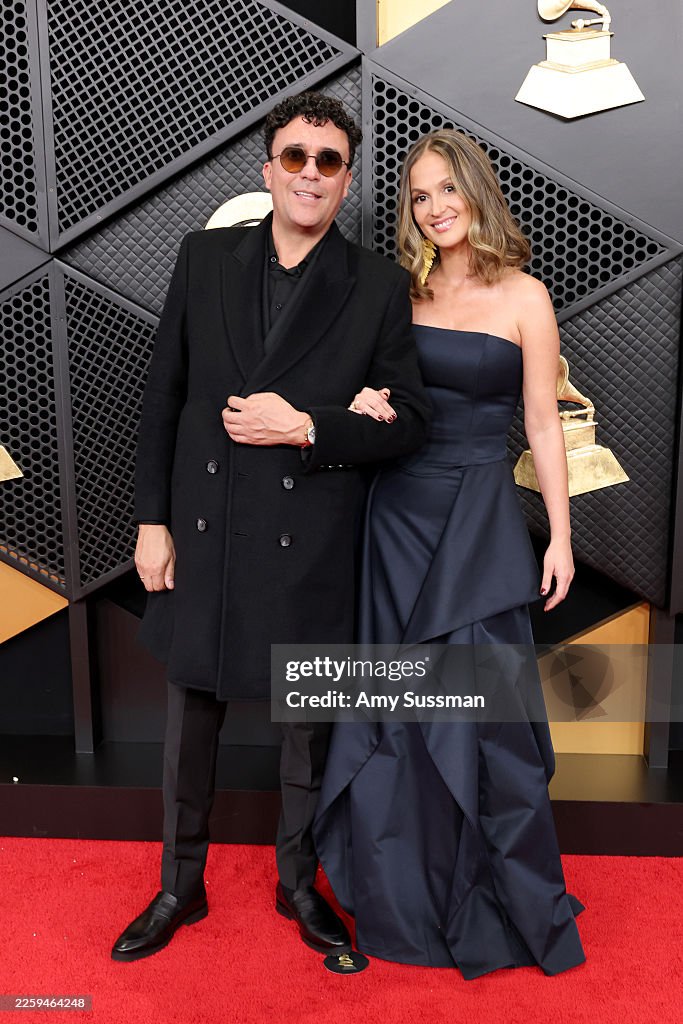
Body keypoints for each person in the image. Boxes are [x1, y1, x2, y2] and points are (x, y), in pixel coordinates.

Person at [111, 92, 430, 962]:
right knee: (190, 724)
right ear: (268, 169)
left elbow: (409, 422)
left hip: (309, 541)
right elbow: (162, 399)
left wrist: (309, 426)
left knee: (307, 734)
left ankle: (300, 888)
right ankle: (180, 885)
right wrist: (151, 521)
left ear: (347, 179)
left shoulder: (375, 285)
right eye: (295, 157)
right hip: (205, 531)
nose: (310, 175)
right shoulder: (204, 257)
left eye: (328, 162)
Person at [314, 130, 586, 978]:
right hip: (395, 516)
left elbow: (540, 422)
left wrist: (561, 538)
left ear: (475, 192)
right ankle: (401, 896)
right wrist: (364, 400)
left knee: (486, 719)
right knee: (394, 712)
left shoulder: (524, 297)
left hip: (478, 522)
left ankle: (495, 896)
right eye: (418, 196)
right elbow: (374, 398)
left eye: (445, 191)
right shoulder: (401, 293)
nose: (433, 209)